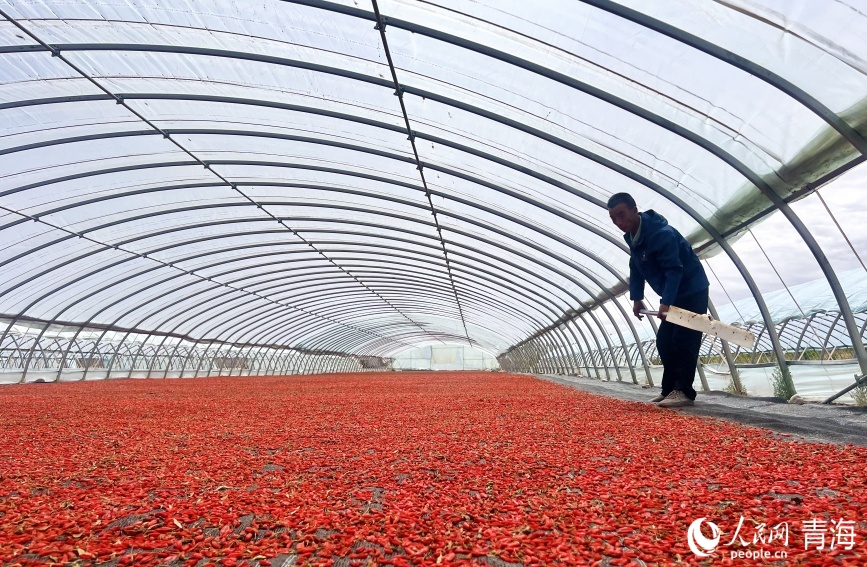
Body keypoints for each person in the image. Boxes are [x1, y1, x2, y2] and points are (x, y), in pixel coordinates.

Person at [607, 193, 709, 408]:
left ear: (635, 210)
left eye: (622, 215)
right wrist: (636, 298)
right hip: (673, 293)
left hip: (690, 290)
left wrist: (666, 301)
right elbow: (636, 268)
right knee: (664, 342)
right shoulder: (633, 237)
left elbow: (674, 269)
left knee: (684, 340)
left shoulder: (661, 234)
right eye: (614, 219)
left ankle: (684, 392)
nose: (619, 223)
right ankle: (670, 389)